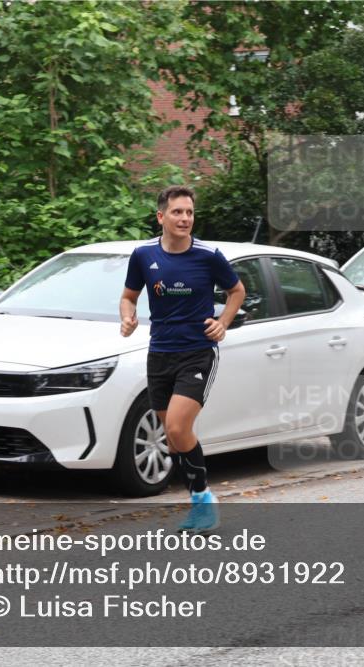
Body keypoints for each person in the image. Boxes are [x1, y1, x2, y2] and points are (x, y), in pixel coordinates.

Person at [120, 185, 246, 534]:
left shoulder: (208, 255)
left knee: (177, 426)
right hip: (160, 352)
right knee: (173, 437)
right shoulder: (143, 255)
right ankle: (198, 503)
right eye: (177, 212)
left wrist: (222, 323)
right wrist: (127, 317)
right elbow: (128, 296)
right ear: (161, 216)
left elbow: (237, 290)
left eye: (189, 212)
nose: (185, 218)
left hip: (197, 352)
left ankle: (205, 500)